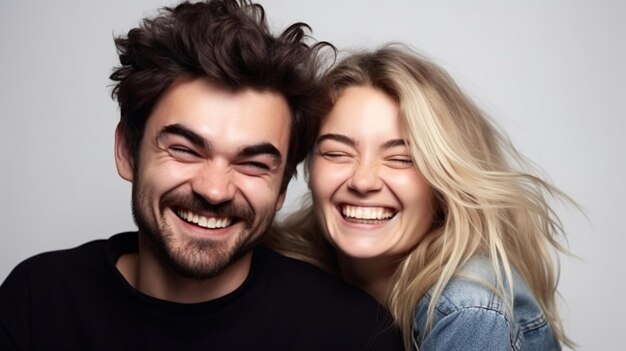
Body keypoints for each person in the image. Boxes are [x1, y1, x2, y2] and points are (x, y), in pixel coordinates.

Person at [0, 1, 403, 350]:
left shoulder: (354, 336)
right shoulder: (38, 300)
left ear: (282, 187)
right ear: (127, 151)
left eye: (253, 164)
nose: (214, 189)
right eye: (185, 150)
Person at [267, 44, 575, 350]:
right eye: (337, 153)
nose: (362, 180)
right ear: (307, 169)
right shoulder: (284, 267)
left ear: (444, 182)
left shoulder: (467, 309)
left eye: (401, 158)